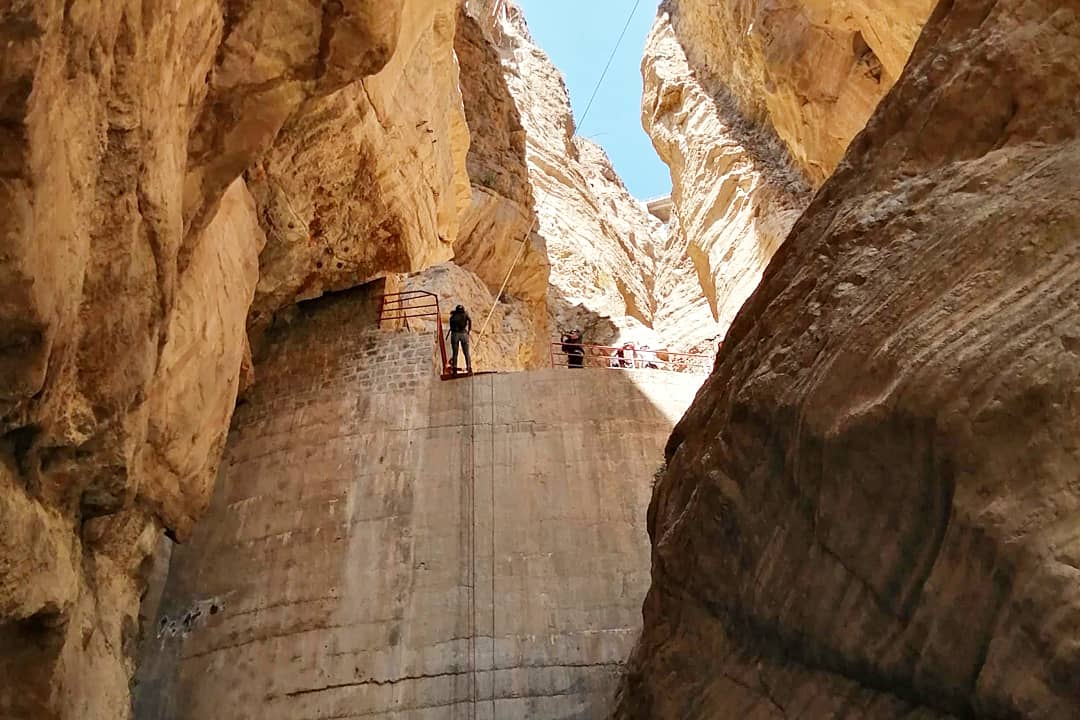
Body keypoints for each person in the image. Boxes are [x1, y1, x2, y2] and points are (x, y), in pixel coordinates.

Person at [448, 304, 472, 374]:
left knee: (455, 353)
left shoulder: (453, 316)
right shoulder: (465, 314)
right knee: (466, 353)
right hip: (464, 334)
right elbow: (470, 320)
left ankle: (454, 368)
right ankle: (469, 367)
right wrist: (469, 330)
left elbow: (451, 326)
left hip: (455, 334)